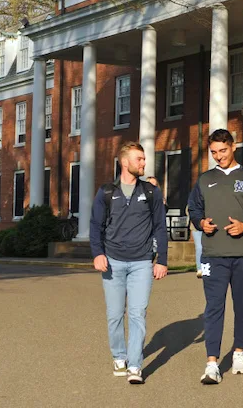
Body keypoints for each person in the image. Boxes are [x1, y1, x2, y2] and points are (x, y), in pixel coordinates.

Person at [188, 129, 243, 384]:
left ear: (233, 147)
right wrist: (201, 222)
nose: (218, 156)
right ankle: (212, 363)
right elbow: (194, 209)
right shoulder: (204, 179)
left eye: (222, 151)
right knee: (213, 308)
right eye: (213, 152)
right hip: (214, 255)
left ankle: (238, 353)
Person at [90, 141, 168, 385]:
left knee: (137, 314)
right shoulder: (106, 192)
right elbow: (96, 226)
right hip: (112, 262)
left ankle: (135, 365)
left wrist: (162, 260)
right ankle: (119, 356)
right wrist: (97, 253)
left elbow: (159, 227)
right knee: (115, 315)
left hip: (141, 263)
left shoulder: (151, 192)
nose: (143, 163)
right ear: (124, 162)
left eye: (144, 159)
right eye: (139, 159)